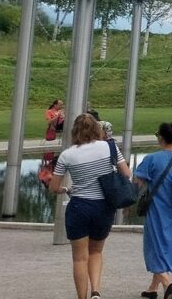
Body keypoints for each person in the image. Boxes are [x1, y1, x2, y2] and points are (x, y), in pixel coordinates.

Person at [51, 113, 131, 299]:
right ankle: (96, 290)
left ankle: (82, 297)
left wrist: (66, 189)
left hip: (79, 206)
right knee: (96, 251)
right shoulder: (110, 147)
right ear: (97, 129)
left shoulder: (67, 155)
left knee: (79, 258)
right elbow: (126, 173)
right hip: (104, 207)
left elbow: (54, 187)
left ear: (74, 131)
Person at [133, 122, 172, 299]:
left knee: (154, 247)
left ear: (160, 137)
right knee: (167, 246)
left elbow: (137, 183)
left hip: (157, 209)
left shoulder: (151, 159)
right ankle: (152, 289)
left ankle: (168, 284)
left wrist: (128, 203)